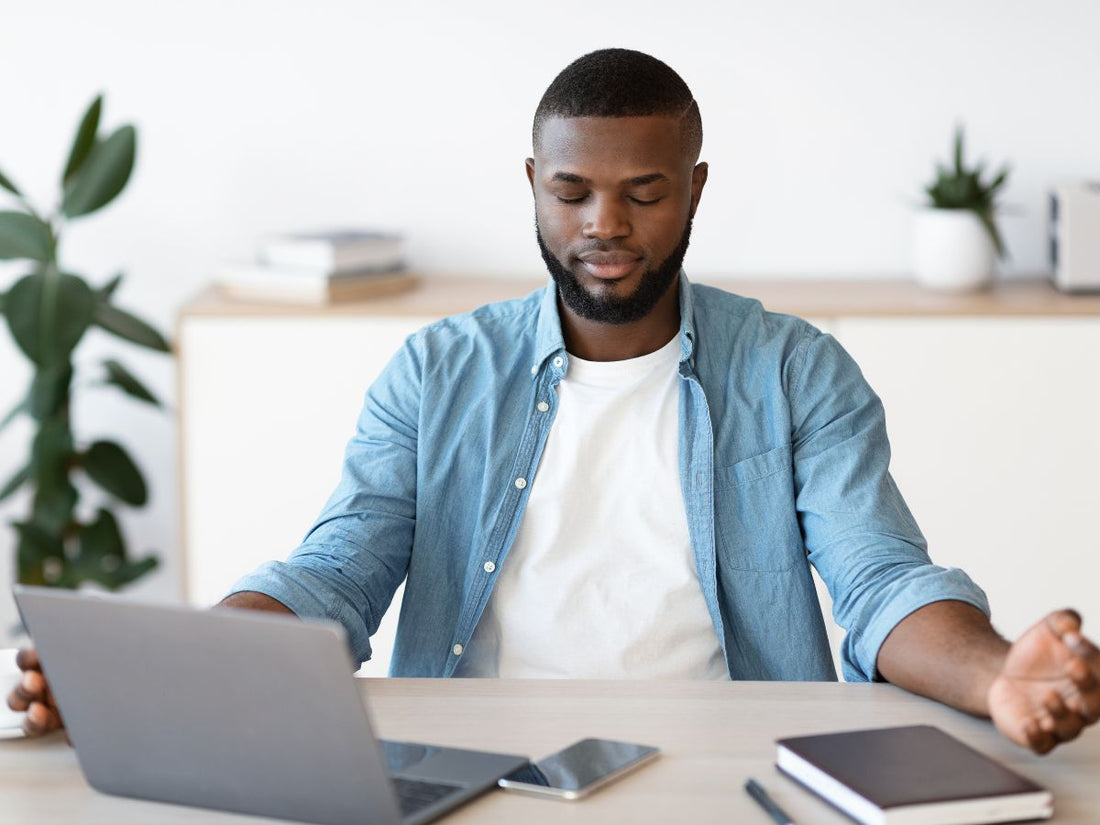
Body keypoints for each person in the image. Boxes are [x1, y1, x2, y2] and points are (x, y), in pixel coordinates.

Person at [10, 48, 1100, 754]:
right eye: (572, 191)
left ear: (694, 190)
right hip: (473, 765)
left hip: (728, 759)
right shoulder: (436, 372)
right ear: (531, 181)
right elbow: (335, 575)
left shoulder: (793, 368)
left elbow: (879, 581)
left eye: (641, 193)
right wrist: (178, 678)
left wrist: (995, 672)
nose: (603, 226)